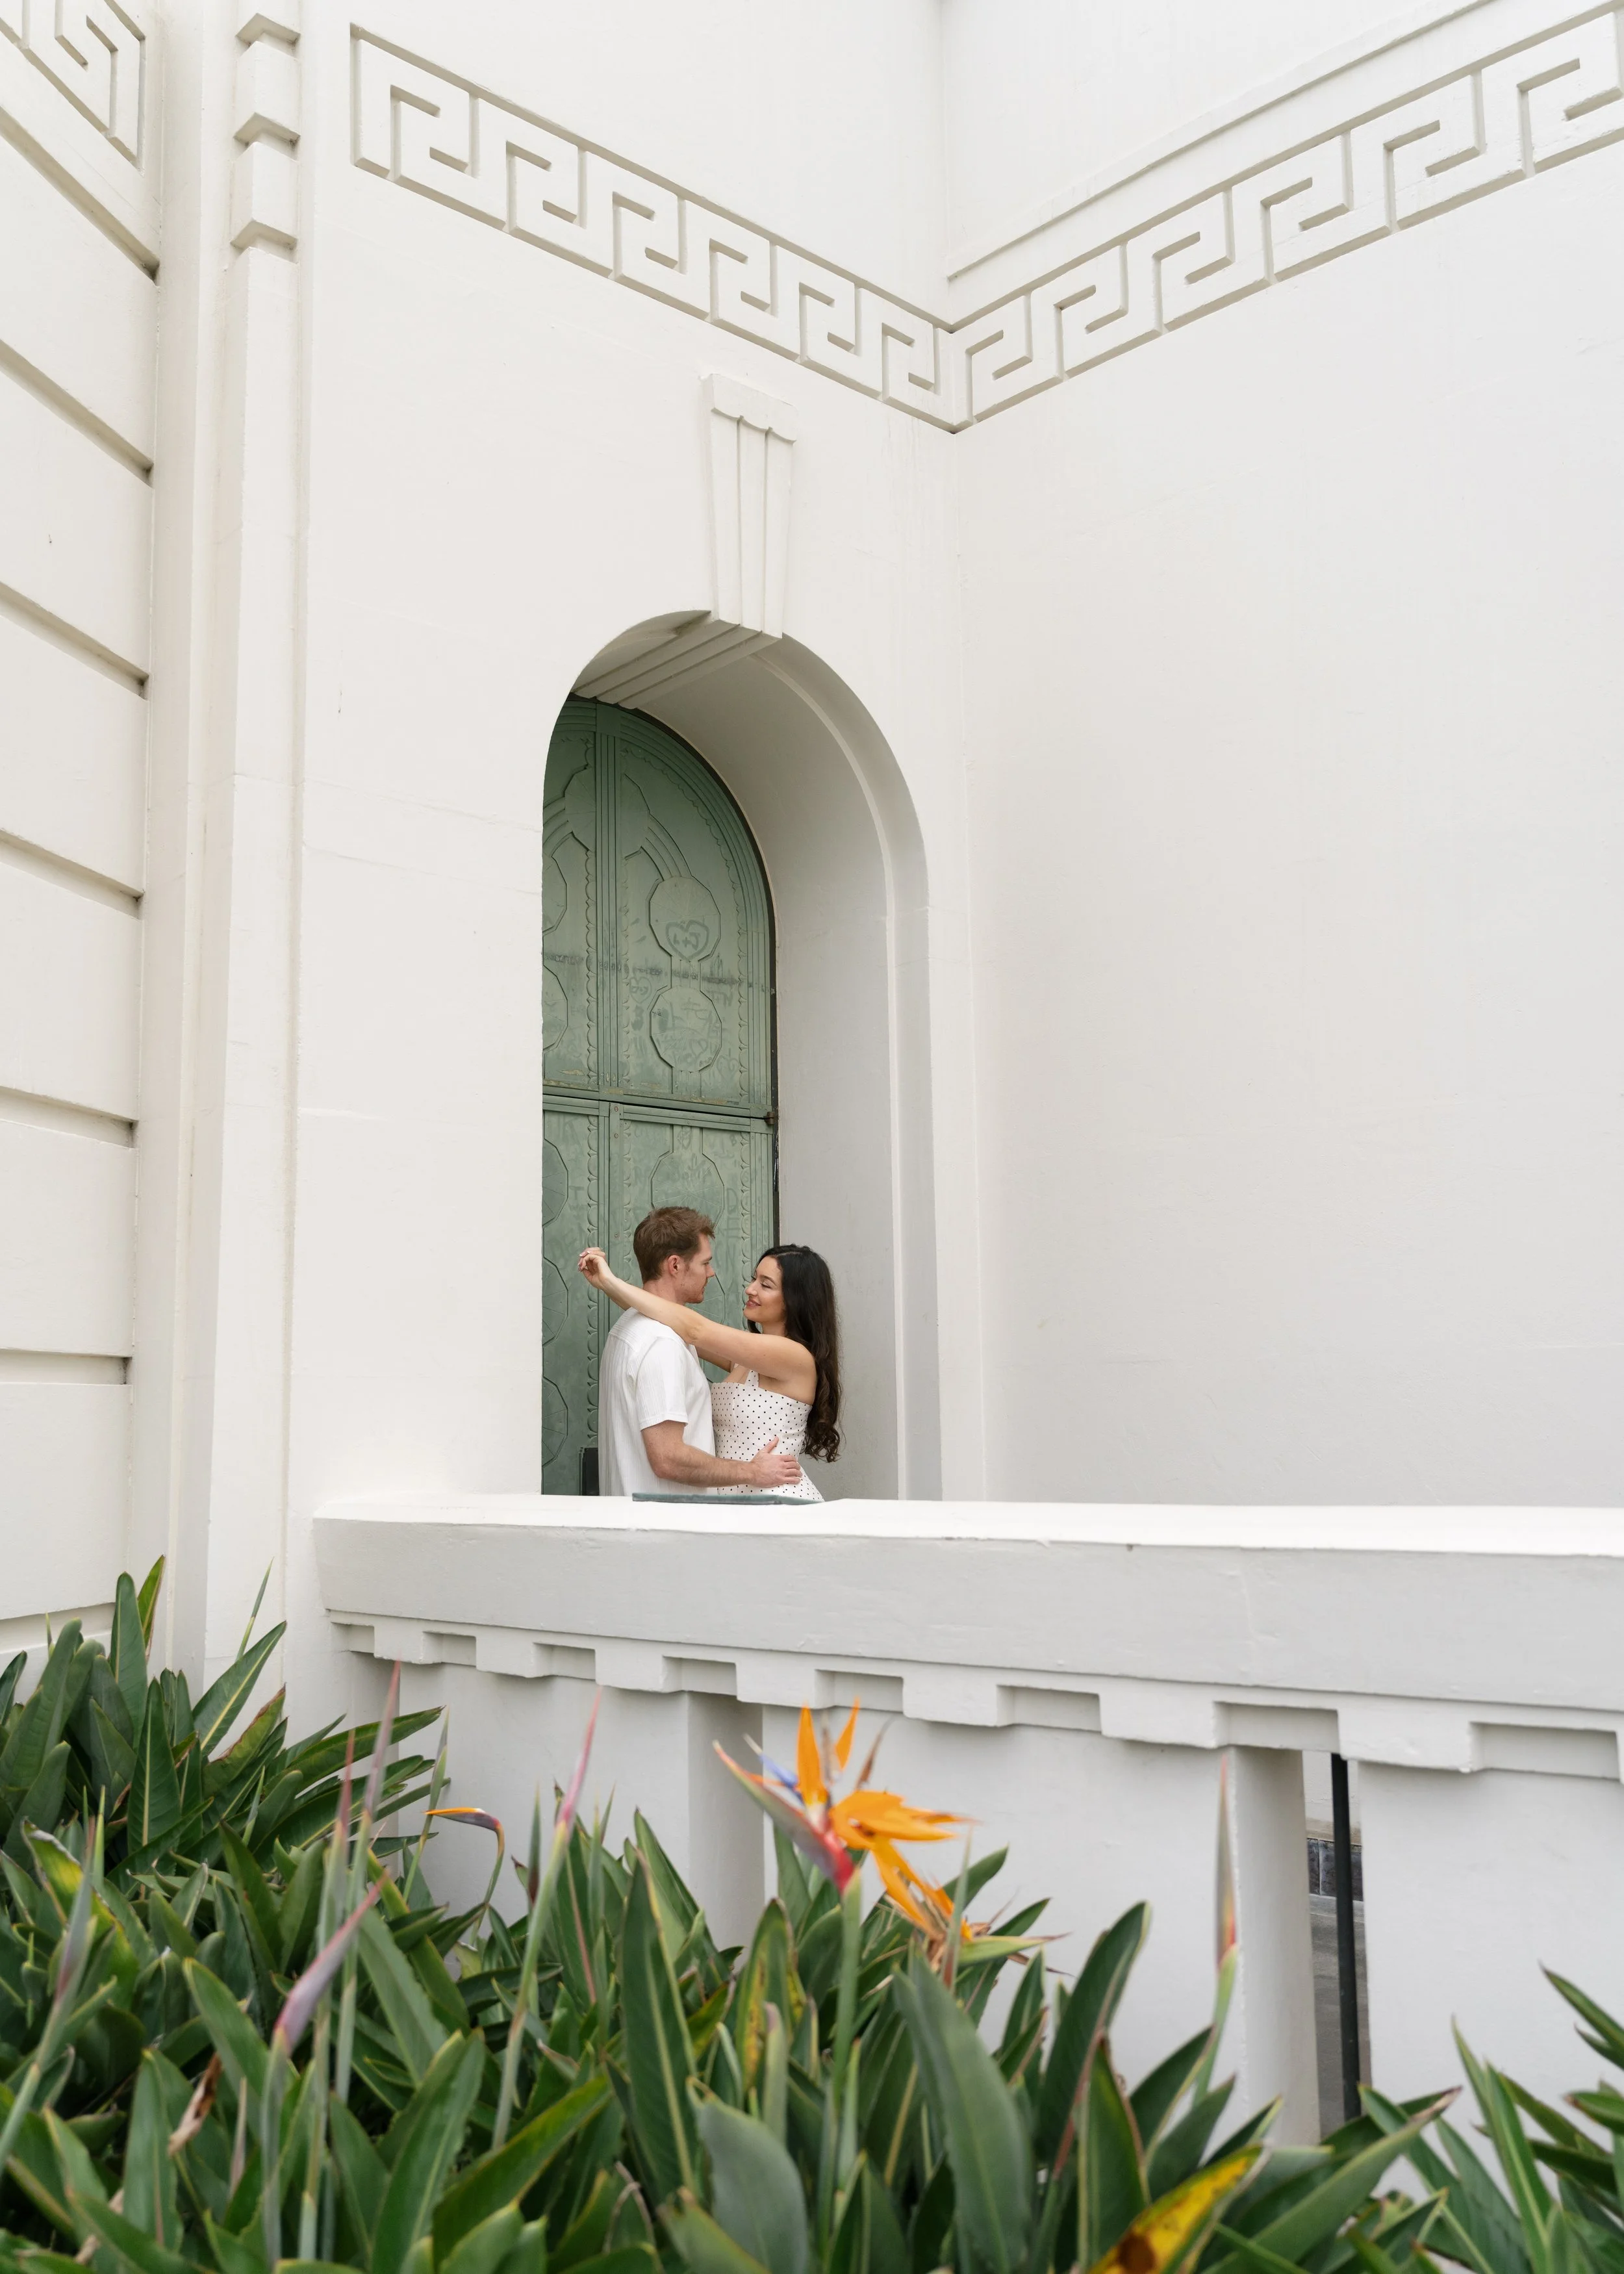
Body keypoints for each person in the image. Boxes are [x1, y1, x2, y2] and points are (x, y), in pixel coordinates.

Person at [579, 1233, 841, 1501]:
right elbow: (667, 1318)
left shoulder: (793, 1356)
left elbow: (694, 1329)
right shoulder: (748, 1358)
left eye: (766, 1285)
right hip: (739, 1500)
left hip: (776, 1499)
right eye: (754, 1278)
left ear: (795, 1299)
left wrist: (612, 1281)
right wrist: (606, 1285)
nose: (750, 1289)